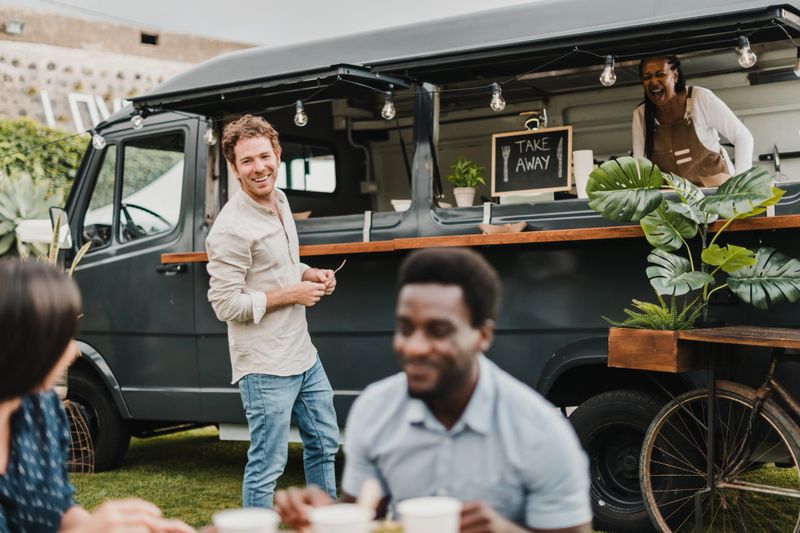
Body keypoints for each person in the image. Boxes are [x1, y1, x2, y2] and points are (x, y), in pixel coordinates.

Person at [276, 248, 592, 533]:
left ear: (482, 335)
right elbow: (365, 513)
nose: (414, 347)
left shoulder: (542, 433)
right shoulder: (375, 409)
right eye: (405, 328)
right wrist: (325, 516)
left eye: (438, 331)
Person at [205, 114, 339, 509]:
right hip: (264, 365)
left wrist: (309, 273)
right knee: (268, 464)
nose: (258, 167)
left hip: (303, 354)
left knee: (326, 443)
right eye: (247, 161)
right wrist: (291, 294)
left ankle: (326, 521)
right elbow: (224, 304)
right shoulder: (230, 228)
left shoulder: (280, 200)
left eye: (264, 156)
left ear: (278, 155)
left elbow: (279, 267)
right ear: (234, 167)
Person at [0, 260, 193, 533]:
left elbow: (59, 511)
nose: (73, 352)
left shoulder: (41, 411)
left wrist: (116, 526)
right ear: (20, 345)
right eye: (61, 338)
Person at [632, 55, 754, 187]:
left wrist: (741, 186)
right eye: (647, 77)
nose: (654, 82)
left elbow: (742, 136)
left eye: (660, 74)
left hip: (716, 197)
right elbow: (639, 164)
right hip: (675, 202)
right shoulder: (641, 115)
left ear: (675, 76)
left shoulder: (700, 98)